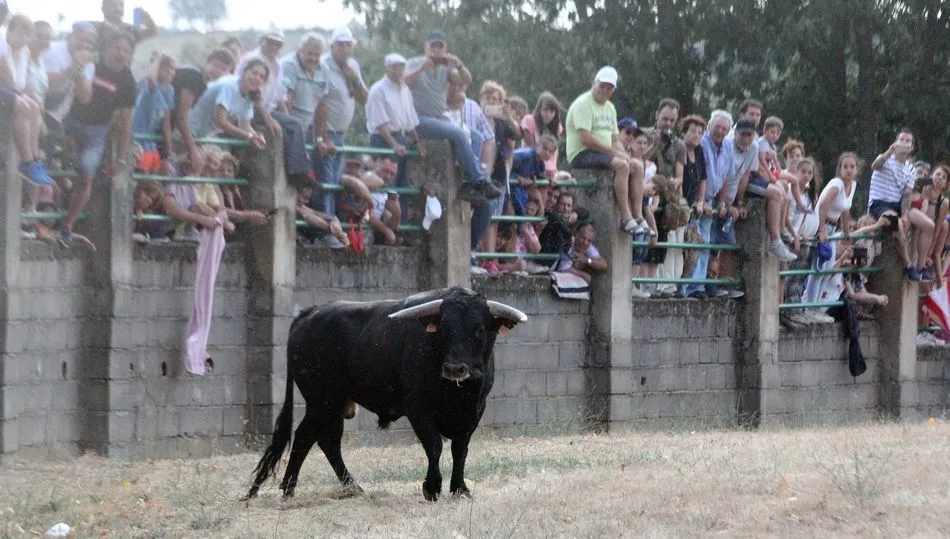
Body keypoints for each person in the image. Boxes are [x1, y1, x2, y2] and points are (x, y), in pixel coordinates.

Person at [404, 29, 502, 203]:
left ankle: (467, 185)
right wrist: (421, 68)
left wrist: (459, 65)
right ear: (426, 47)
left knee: (477, 136)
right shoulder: (414, 63)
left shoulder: (446, 69)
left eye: (439, 46)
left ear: (444, 49)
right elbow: (403, 82)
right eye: (432, 46)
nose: (435, 50)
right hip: (418, 120)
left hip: (438, 118)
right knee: (457, 134)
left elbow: (466, 80)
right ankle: (479, 180)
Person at [61, 32, 136, 247]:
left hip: (96, 130)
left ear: (130, 55)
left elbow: (125, 123)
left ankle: (67, 226)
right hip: (69, 119)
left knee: (87, 175)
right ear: (107, 48)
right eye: (116, 47)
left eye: (125, 50)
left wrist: (121, 159)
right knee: (55, 163)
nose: (120, 53)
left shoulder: (128, 82)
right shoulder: (92, 63)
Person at [565, 66, 649, 235]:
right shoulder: (583, 104)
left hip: (602, 153)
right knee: (621, 166)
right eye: (602, 85)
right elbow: (586, 139)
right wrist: (614, 152)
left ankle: (638, 216)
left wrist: (623, 153)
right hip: (582, 153)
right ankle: (626, 218)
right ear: (594, 83)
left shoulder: (610, 108)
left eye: (609, 87)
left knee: (636, 166)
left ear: (613, 90)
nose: (605, 90)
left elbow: (615, 138)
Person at [868, 128, 934, 281]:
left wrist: (905, 214)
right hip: (880, 203)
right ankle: (908, 265)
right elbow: (875, 166)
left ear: (911, 147)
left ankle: (921, 266)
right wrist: (888, 152)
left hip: (898, 204)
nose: (904, 143)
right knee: (895, 224)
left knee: (927, 225)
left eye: (907, 141)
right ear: (896, 142)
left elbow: (907, 194)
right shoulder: (885, 159)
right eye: (901, 139)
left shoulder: (910, 168)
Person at [365, 53, 424, 189]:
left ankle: (401, 210)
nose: (398, 72)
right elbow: (380, 123)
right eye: (394, 68)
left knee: (403, 183)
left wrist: (417, 142)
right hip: (382, 140)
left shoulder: (405, 90)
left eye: (401, 68)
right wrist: (394, 144)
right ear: (387, 69)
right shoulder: (378, 90)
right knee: (386, 183)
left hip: (400, 137)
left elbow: (410, 118)